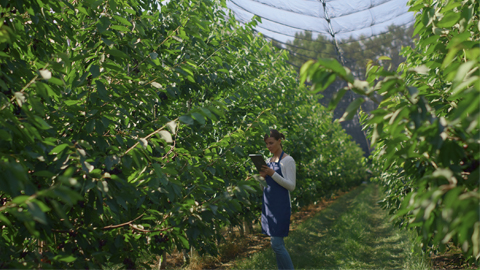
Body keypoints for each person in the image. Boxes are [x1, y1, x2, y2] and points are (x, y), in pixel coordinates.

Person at [259, 129, 296, 270]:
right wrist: (262, 177)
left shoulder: (288, 161)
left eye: (271, 143)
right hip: (269, 206)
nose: (268, 147)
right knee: (277, 245)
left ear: (279, 141)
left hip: (281, 206)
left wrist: (273, 173)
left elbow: (291, 186)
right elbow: (264, 188)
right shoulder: (268, 161)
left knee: (276, 245)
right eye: (266, 144)